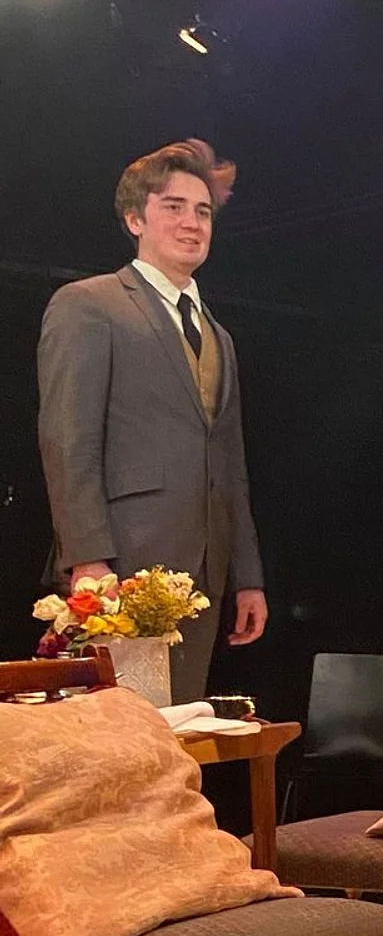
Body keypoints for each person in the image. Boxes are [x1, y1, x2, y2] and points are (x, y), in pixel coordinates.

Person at [37, 139, 268, 702]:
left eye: (203, 211)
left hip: (202, 572)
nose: (192, 223)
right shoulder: (89, 304)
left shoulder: (218, 335)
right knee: (115, 731)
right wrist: (88, 558)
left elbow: (230, 463)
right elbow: (68, 440)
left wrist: (248, 576)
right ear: (135, 219)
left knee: (177, 725)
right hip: (121, 563)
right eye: (174, 207)